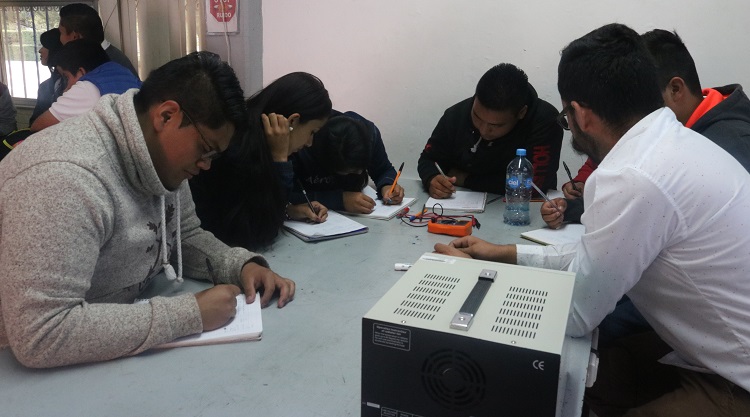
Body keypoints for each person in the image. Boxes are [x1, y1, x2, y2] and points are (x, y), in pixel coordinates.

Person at [435, 23, 750, 416]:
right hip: (711, 351)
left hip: (736, 379)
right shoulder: (672, 141)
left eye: (566, 117)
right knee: (595, 380)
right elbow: (593, 257)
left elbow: (574, 316)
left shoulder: (632, 176)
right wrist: (505, 253)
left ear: (581, 115)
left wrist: (474, 278)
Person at [0, 51, 295, 369]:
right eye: (205, 149)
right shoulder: (64, 178)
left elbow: (184, 234)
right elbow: (42, 334)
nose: (206, 165)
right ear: (166, 116)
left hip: (108, 351)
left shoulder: (162, 157)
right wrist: (189, 314)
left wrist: (240, 265)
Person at [544, 29, 750, 229]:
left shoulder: (731, 144)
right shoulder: (674, 131)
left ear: (675, 89)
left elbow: (648, 206)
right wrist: (572, 206)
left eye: (646, 100)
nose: (634, 113)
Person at [190, 72, 332, 250]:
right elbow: (258, 233)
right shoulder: (237, 147)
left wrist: (288, 210)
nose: (310, 143)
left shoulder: (255, 138)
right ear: (293, 121)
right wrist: (280, 161)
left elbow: (255, 207)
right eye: (312, 132)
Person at [417, 63, 562, 198]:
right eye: (477, 117)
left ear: (521, 113)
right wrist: (432, 178)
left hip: (523, 208)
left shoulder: (545, 121)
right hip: (458, 205)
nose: (484, 130)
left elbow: (534, 185)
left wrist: (466, 179)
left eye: (496, 125)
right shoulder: (456, 115)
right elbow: (429, 160)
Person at [290, 111, 404, 213]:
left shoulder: (369, 135)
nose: (360, 173)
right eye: (350, 171)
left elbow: (383, 170)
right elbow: (286, 196)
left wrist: (387, 185)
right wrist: (339, 200)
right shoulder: (301, 144)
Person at [30, 39, 142, 132]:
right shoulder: (124, 72)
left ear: (81, 72)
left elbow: (38, 127)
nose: (65, 89)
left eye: (66, 77)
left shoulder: (87, 88)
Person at [58, 3, 138, 76]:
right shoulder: (103, 58)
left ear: (75, 36)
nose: (60, 39)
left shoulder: (103, 65)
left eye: (61, 33)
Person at [29, 28, 64, 126]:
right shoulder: (46, 86)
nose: (40, 50)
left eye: (45, 46)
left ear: (55, 50)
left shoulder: (70, 84)